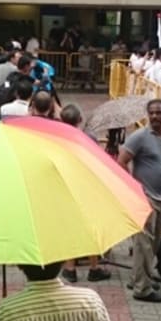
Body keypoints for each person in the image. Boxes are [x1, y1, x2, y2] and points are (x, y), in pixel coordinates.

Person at [118, 99, 161, 303]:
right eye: (152, 113)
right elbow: (122, 161)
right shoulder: (139, 137)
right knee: (143, 243)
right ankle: (142, 288)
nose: (155, 116)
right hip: (145, 197)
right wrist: (134, 188)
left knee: (153, 243)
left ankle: (139, 277)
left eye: (159, 113)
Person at [58, 104, 112, 283]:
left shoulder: (55, 137)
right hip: (86, 185)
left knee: (68, 226)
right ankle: (94, 267)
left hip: (64, 185)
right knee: (90, 226)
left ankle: (70, 268)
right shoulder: (88, 138)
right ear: (80, 120)